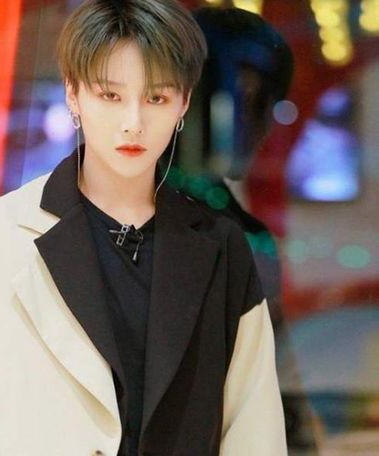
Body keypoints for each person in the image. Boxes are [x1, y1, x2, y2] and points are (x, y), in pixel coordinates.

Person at [0, 1, 287, 455]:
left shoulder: (222, 247)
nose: (133, 123)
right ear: (73, 94)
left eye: (156, 98)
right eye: (110, 96)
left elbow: (253, 428)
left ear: (184, 102)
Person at [171, 6, 318, 451]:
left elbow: (277, 396)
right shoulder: (226, 233)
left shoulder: (236, 229)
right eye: (254, 98)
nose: (264, 125)